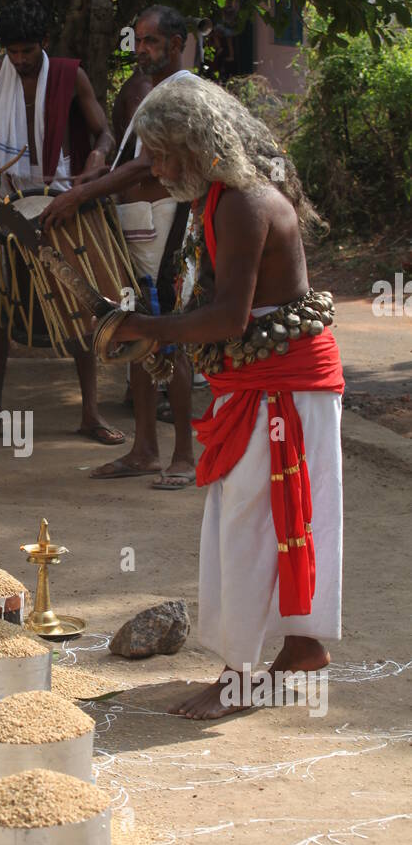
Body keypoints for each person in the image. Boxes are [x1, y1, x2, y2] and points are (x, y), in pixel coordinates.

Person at [95, 76, 344, 720]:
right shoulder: (221, 193)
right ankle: (300, 646)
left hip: (283, 385)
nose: (153, 167)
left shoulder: (240, 203)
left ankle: (239, 676)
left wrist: (145, 329)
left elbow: (232, 319)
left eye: (160, 153)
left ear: (196, 147)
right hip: (280, 382)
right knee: (277, 515)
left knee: (247, 523)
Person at [0, 0, 125, 445]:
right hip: (10, 201)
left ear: (45, 44)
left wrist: (97, 155)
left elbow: (104, 131)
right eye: (12, 53)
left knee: (80, 303)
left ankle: (89, 414)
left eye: (27, 52)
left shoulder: (72, 76)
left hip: (62, 200)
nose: (19, 60)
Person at [43, 5, 199, 487]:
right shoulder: (152, 92)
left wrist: (82, 193)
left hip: (165, 227)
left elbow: (146, 167)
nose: (141, 50)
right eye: (139, 41)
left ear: (177, 44)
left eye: (152, 42)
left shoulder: (182, 93)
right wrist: (96, 177)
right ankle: (145, 450)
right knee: (135, 331)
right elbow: (129, 163)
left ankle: (184, 457)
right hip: (137, 227)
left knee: (170, 335)